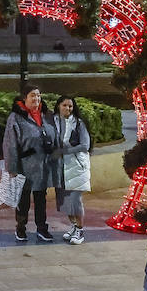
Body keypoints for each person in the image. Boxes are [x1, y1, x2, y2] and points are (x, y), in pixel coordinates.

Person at [2, 85, 58, 243]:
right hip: (24, 165)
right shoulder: (16, 117)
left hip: (42, 165)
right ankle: (21, 227)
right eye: (32, 96)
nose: (36, 99)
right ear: (24, 98)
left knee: (41, 198)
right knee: (23, 199)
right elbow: (9, 144)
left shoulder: (46, 115)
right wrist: (11, 168)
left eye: (39, 96)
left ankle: (42, 228)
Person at [51, 95, 91, 244]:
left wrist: (63, 151)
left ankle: (80, 230)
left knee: (75, 200)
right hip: (60, 167)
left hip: (76, 166)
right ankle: (74, 226)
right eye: (65, 105)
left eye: (70, 106)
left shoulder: (79, 124)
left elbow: (84, 145)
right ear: (58, 106)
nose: (67, 108)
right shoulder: (52, 121)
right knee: (64, 201)